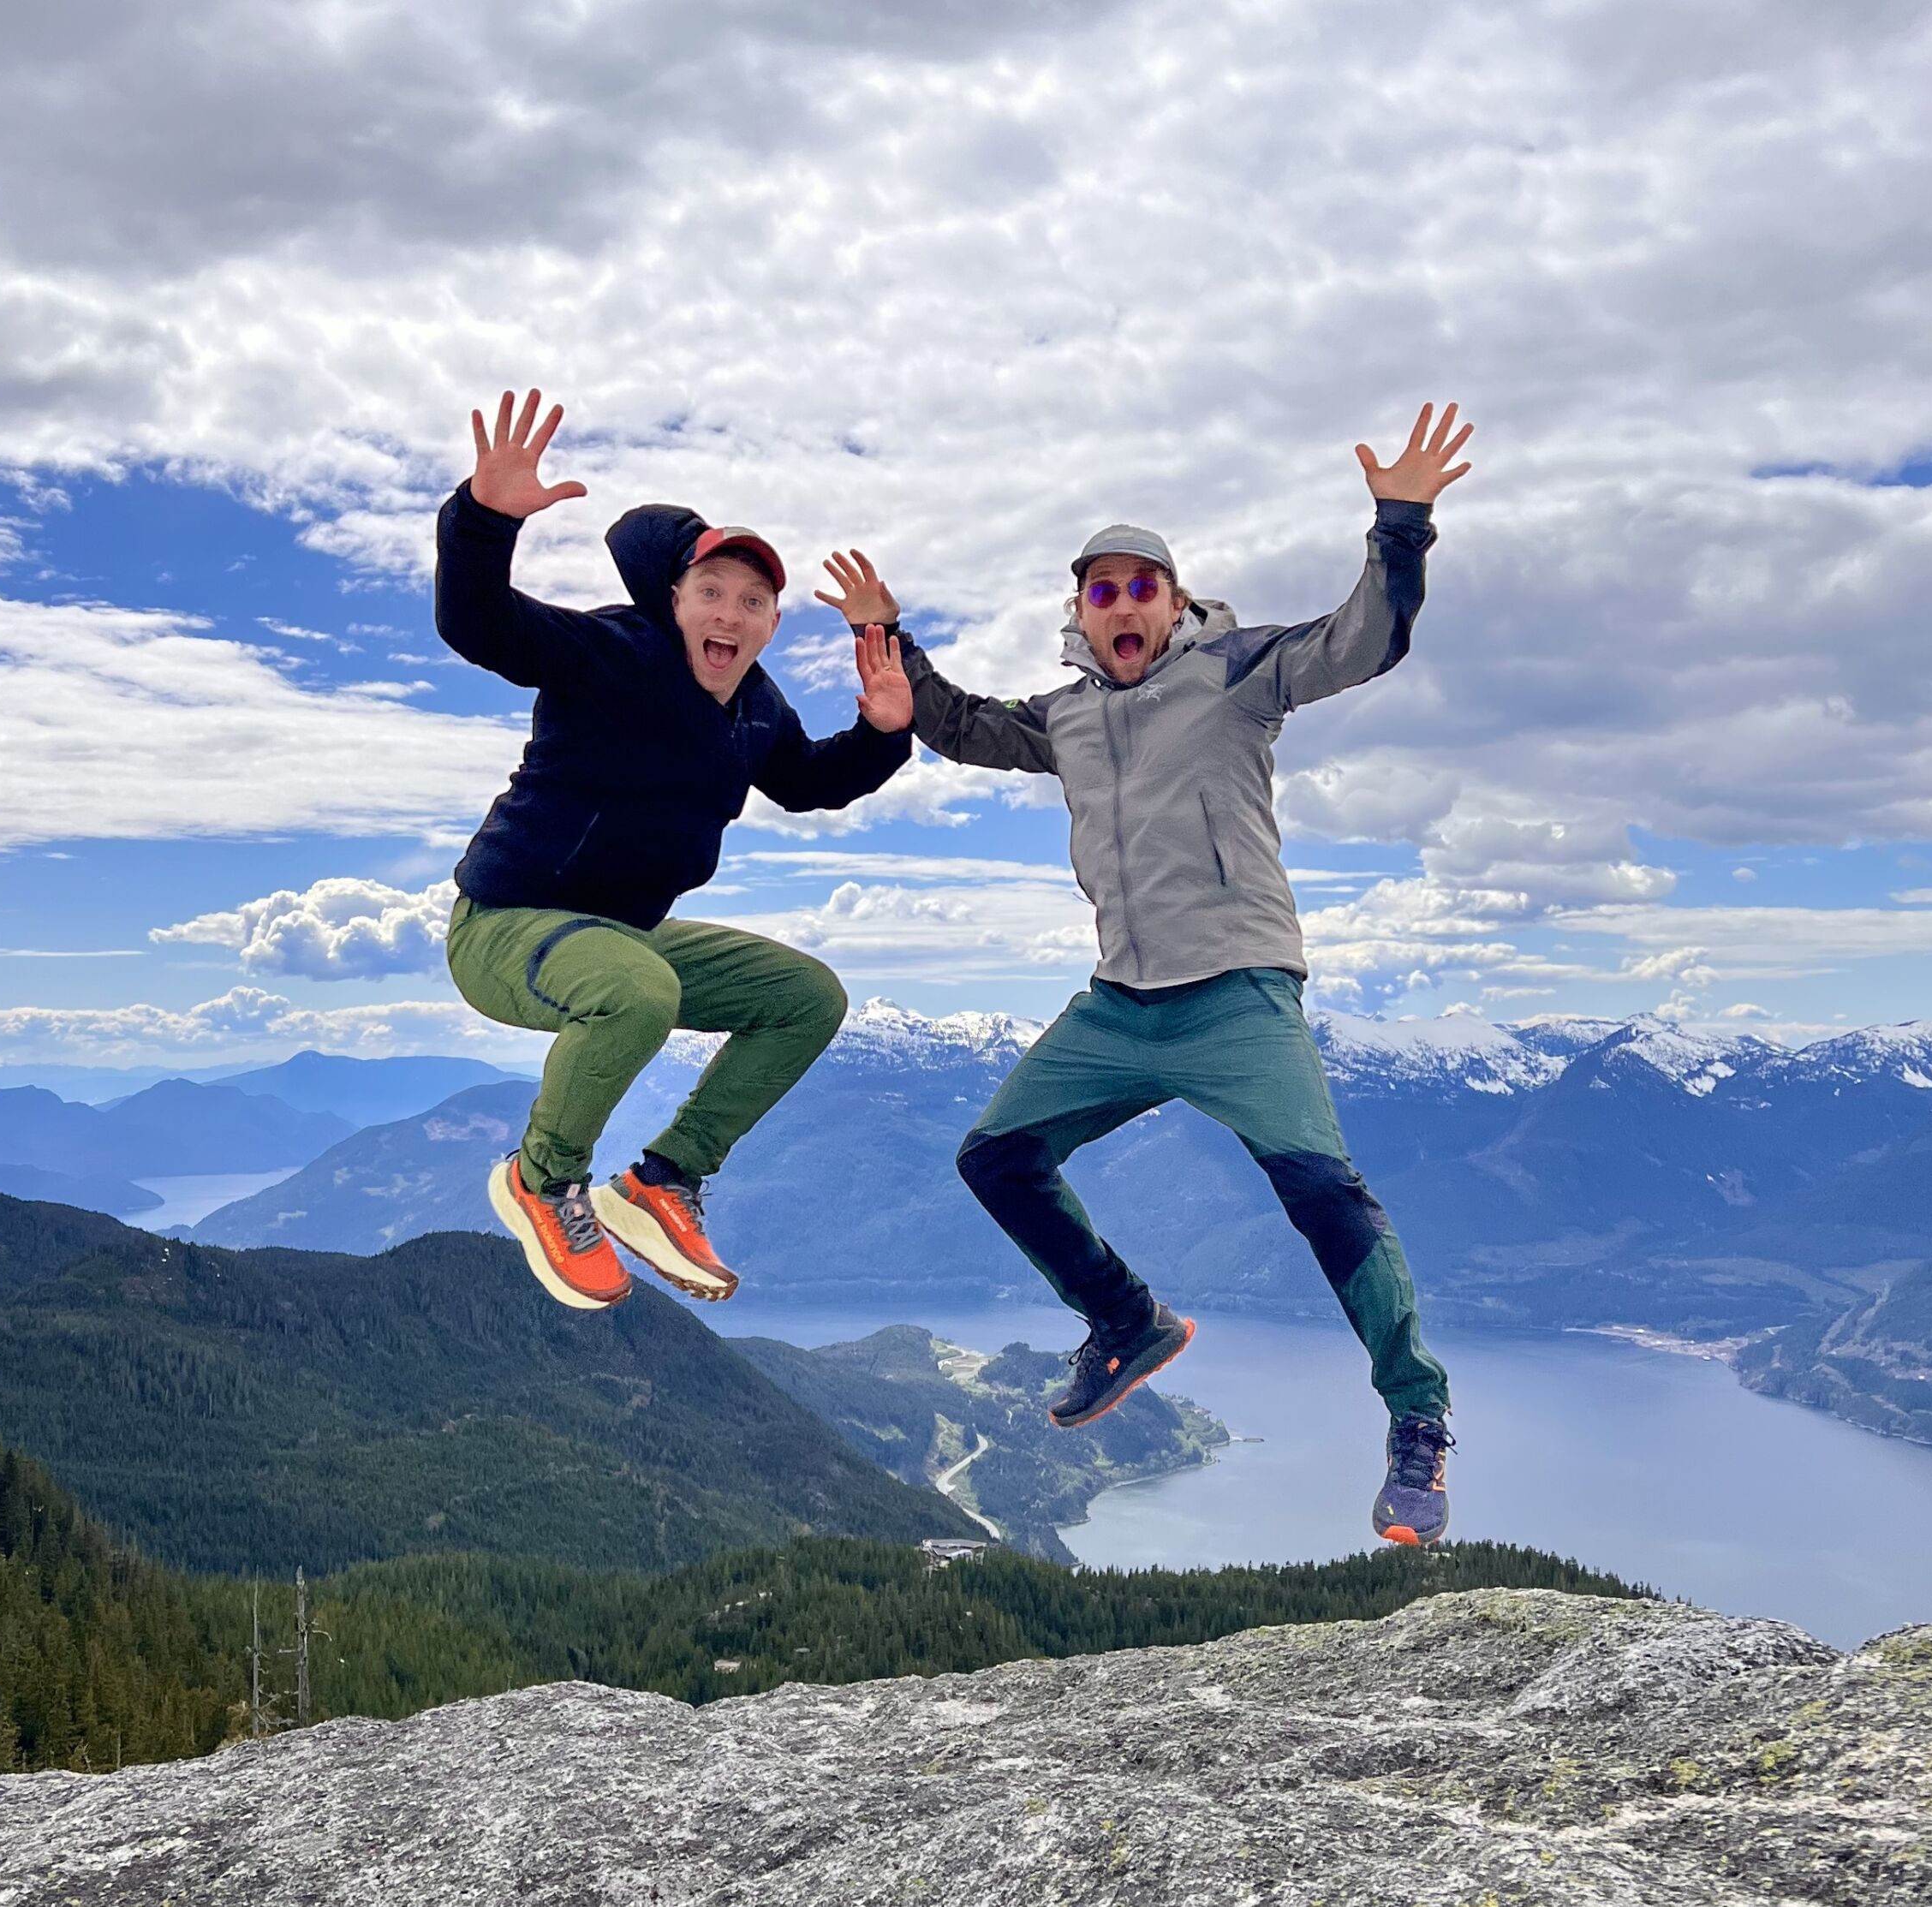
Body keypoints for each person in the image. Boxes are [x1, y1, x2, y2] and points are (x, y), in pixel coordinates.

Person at [818, 403, 1472, 1545]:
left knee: (1325, 1194)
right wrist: (896, 645)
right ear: (1079, 613)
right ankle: (1124, 1316)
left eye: (1142, 586)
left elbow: (1364, 639)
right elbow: (960, 722)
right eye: (1101, 590)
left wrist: (1400, 524)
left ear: (1176, 601)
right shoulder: (1066, 716)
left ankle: (1418, 1419)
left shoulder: (1236, 670)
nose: (1123, 605)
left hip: (1238, 993)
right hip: (1122, 1001)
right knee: (995, 1156)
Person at [440, 387, 914, 1312]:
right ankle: (542, 1179)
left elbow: (809, 781)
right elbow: (480, 624)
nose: (730, 614)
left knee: (805, 997)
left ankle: (662, 1182)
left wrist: (884, 735)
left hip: (624, 937)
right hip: (505, 927)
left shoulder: (758, 705)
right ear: (674, 601)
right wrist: (482, 520)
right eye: (710, 592)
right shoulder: (611, 651)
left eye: (753, 601)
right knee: (638, 992)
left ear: (773, 625)